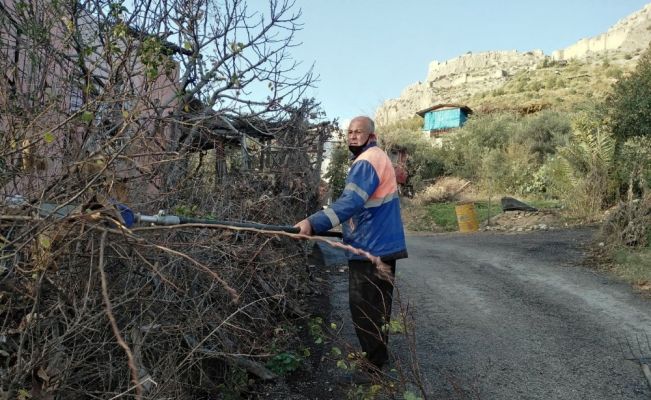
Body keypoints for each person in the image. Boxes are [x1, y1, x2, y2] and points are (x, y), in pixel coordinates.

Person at [294, 116, 407, 374]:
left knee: (364, 307)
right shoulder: (375, 157)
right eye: (350, 132)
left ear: (371, 135)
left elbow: (351, 203)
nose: (353, 136)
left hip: (371, 248)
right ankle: (377, 359)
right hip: (382, 246)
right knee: (377, 307)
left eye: (359, 132)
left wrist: (313, 222)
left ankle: (373, 366)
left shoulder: (367, 161)